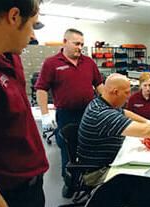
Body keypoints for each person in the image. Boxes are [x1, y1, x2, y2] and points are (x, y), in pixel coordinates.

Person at [0, 1, 49, 207]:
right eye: (33, 26)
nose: (34, 37)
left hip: (31, 184)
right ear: (14, 16)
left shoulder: (11, 56)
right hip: (8, 195)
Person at [35, 28, 104, 195]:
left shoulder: (89, 62)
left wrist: (108, 106)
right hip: (66, 115)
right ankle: (70, 183)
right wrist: (45, 115)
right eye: (76, 43)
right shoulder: (52, 63)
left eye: (82, 44)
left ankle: (89, 181)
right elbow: (41, 89)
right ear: (65, 42)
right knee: (68, 150)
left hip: (89, 113)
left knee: (89, 147)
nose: (80, 47)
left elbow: (99, 85)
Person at [77, 73, 150, 187]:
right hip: (97, 173)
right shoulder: (103, 114)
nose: (129, 96)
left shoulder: (100, 102)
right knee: (148, 178)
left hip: (101, 162)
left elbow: (125, 113)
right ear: (115, 92)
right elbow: (147, 132)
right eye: (127, 92)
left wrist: (149, 122)